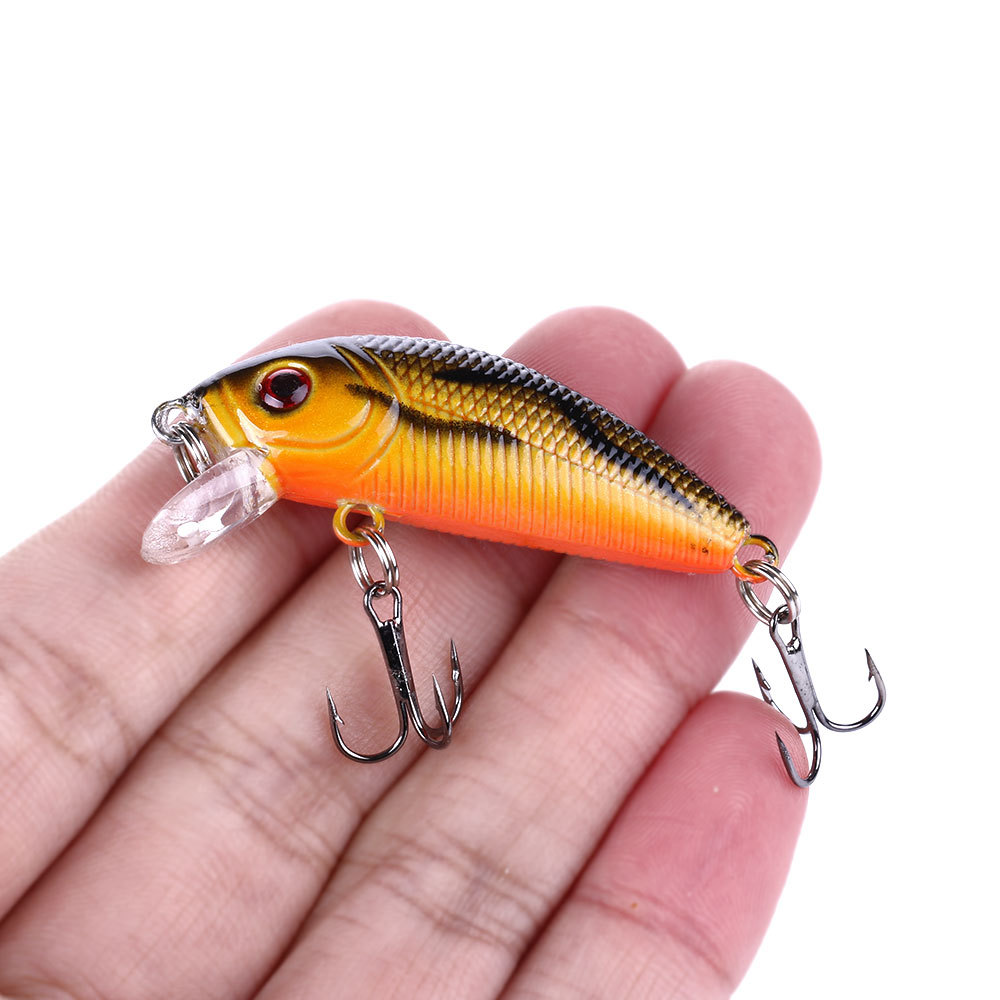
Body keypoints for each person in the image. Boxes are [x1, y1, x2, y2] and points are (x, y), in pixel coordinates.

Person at [0, 302, 816, 998]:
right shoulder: (318, 475)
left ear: (373, 400)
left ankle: (731, 547)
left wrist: (725, 544)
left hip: (690, 527)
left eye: (283, 394)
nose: (270, 406)